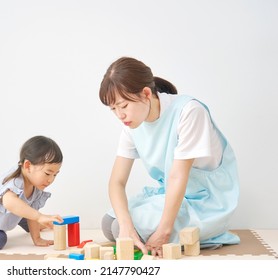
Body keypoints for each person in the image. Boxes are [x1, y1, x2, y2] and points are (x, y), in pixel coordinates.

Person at [99, 57, 240, 258]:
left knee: (119, 231)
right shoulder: (131, 125)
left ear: (146, 93)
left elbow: (177, 176)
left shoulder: (189, 112)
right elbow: (116, 182)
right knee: (110, 223)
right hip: (171, 194)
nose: (120, 115)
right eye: (113, 109)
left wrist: (163, 232)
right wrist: (126, 224)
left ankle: (205, 232)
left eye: (123, 106)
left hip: (206, 201)